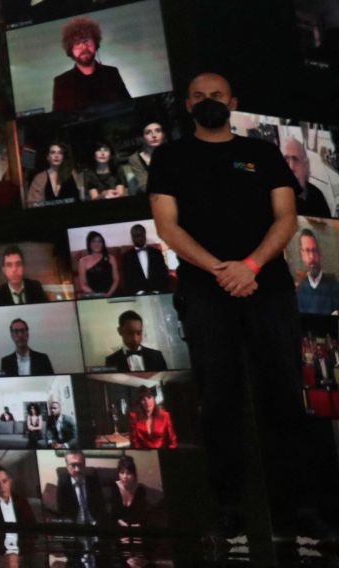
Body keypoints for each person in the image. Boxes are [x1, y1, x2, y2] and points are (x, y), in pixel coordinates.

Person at [149, 71, 336, 543]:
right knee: (218, 403)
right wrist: (221, 270)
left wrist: (249, 266)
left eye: (216, 95)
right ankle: (230, 510)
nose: (207, 101)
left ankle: (303, 509)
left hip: (267, 289)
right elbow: (167, 227)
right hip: (206, 293)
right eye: (198, 96)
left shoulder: (262, 154)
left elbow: (286, 218)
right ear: (187, 105)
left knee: (285, 399)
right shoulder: (169, 158)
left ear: (232, 101)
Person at [50, 16, 131, 113]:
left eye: (87, 40)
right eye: (77, 43)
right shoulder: (62, 82)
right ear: (70, 49)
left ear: (96, 44)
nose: (84, 47)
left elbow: (128, 106)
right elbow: (60, 117)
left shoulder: (112, 73)